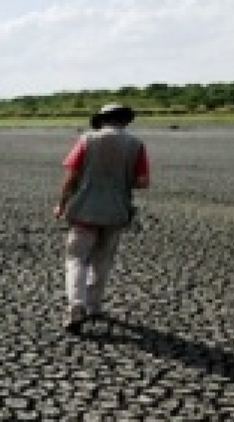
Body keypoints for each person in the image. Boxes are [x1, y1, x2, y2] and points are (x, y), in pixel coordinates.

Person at [54, 103, 150, 334]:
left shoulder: (87, 140)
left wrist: (62, 203)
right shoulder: (136, 144)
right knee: (103, 261)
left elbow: (72, 176)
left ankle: (76, 304)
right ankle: (94, 306)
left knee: (76, 259)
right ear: (124, 121)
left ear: (102, 120)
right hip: (116, 211)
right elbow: (142, 182)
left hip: (85, 210)